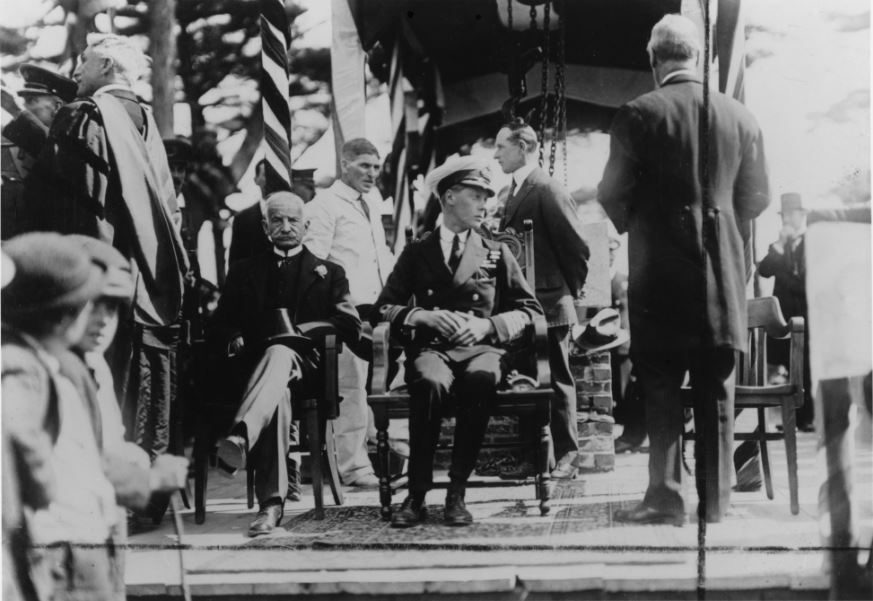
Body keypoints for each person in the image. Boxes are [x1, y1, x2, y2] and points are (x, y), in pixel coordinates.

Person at [598, 14, 771, 525]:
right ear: (699, 57)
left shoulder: (637, 113)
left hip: (658, 279)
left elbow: (612, 194)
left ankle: (666, 499)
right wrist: (719, 228)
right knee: (718, 390)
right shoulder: (741, 116)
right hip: (722, 280)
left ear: (654, 60)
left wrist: (646, 225)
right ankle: (717, 504)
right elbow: (756, 196)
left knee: (661, 389)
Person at [25, 34, 190, 525]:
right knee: (143, 389)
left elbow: (87, 209)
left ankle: (110, 501)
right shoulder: (144, 117)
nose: (75, 72)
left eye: (83, 62)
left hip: (107, 274)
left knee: (103, 386)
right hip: (150, 277)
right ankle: (145, 500)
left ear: (106, 64)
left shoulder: (87, 116)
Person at [372, 156, 543, 528]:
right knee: (429, 381)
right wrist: (423, 316)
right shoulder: (418, 251)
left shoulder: (497, 251)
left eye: (487, 196)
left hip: (483, 349)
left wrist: (489, 327)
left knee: (482, 378)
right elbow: (384, 307)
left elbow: (530, 310)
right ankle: (416, 494)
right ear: (450, 197)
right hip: (434, 349)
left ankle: (457, 492)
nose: (486, 204)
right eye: (477, 195)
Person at [209, 192, 362, 536]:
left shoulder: (330, 273)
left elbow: (350, 326)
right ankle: (271, 507)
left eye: (293, 220)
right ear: (265, 227)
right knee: (276, 392)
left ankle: (242, 435)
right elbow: (218, 324)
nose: (285, 226)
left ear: (306, 226)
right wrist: (235, 335)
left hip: (308, 371)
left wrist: (300, 333)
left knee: (282, 352)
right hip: (257, 373)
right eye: (276, 220)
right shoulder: (243, 271)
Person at [1, 232, 120, 600]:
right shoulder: (20, 365)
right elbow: (14, 427)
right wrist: (41, 483)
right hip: (62, 552)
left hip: (74, 544)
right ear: (67, 313)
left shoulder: (43, 360)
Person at [494, 119, 590, 479]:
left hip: (550, 305)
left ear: (522, 147)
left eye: (501, 147)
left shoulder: (547, 189)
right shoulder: (517, 190)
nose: (496, 154)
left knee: (557, 380)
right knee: (527, 382)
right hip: (524, 308)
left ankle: (568, 456)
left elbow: (577, 247)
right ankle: (536, 458)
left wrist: (567, 293)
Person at [304, 138, 398, 488]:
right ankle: (353, 468)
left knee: (378, 385)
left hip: (376, 313)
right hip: (345, 314)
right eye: (364, 166)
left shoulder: (370, 204)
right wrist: (338, 312)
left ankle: (381, 455)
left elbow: (378, 257)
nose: (372, 174)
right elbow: (315, 264)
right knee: (351, 387)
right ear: (345, 164)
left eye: (376, 167)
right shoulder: (325, 205)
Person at [1, 64, 77, 239]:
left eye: (32, 101)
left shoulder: (74, 139)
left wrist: (15, 110)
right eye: (24, 101)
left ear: (58, 106)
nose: (25, 107)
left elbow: (52, 154)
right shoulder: (19, 140)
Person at [757, 192, 813, 431]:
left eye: (793, 214)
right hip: (783, 319)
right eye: (785, 215)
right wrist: (779, 246)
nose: (788, 219)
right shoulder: (776, 247)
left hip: (807, 317)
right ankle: (782, 419)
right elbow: (765, 270)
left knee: (806, 370)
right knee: (780, 366)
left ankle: (805, 419)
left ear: (802, 216)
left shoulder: (812, 242)